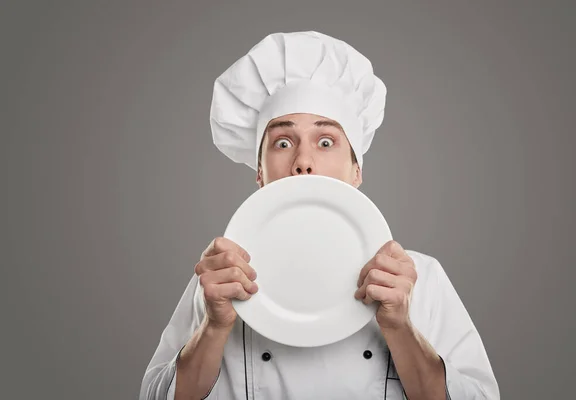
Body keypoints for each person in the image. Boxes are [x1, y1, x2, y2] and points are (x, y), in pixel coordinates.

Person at [139, 31, 500, 400]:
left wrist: (401, 328)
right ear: (260, 173)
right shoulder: (222, 277)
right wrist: (214, 328)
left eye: (326, 142)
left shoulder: (419, 278)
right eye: (283, 142)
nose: (303, 162)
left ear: (356, 171)